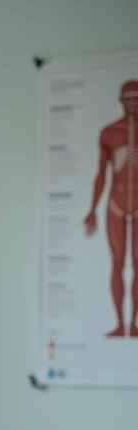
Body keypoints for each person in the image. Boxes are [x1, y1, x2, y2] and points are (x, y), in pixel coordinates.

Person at [84, 78, 138, 338]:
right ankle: (120, 324)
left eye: (136, 97)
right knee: (117, 262)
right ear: (120, 99)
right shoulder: (109, 132)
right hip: (115, 204)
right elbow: (101, 174)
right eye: (127, 97)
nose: (132, 103)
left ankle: (134, 324)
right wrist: (92, 209)